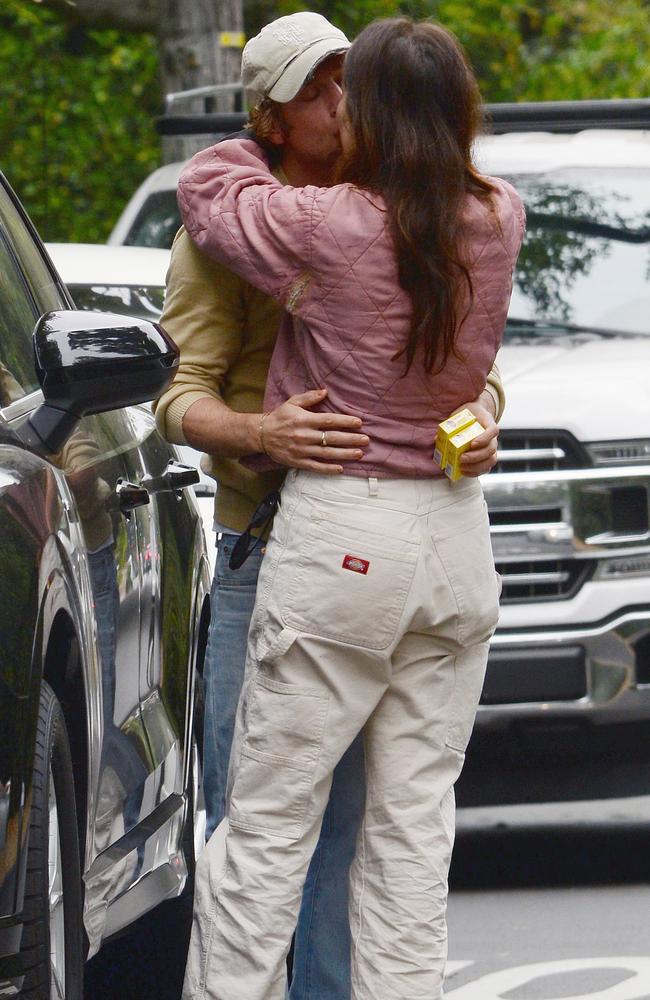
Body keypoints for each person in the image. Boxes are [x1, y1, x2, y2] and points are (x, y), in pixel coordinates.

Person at [155, 14, 510, 1000]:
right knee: (409, 832)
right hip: (450, 540)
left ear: (376, 110)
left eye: (350, 87)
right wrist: (468, 411)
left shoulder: (329, 224)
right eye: (318, 89)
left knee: (264, 824)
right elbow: (453, 362)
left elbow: (204, 189)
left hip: (340, 536)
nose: (336, 102)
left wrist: (255, 133)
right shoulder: (498, 211)